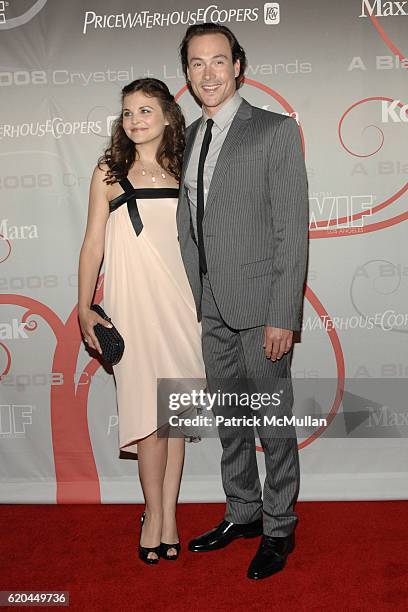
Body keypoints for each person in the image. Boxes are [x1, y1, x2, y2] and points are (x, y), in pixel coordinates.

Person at [176, 24, 309, 580]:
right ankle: (243, 512)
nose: (207, 73)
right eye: (196, 63)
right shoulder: (185, 136)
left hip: (261, 312)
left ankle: (279, 527)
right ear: (186, 73)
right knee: (231, 423)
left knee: (273, 425)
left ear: (238, 66)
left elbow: (291, 230)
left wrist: (283, 314)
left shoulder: (274, 131)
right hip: (211, 309)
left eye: (218, 61)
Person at [78, 78, 205, 565]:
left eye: (145, 111)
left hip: (182, 307)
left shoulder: (185, 169)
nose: (134, 120)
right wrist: (84, 304)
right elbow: (93, 244)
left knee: (172, 419)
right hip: (132, 307)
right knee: (147, 421)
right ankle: (153, 515)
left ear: (169, 117)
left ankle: (167, 514)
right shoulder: (108, 173)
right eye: (128, 112)